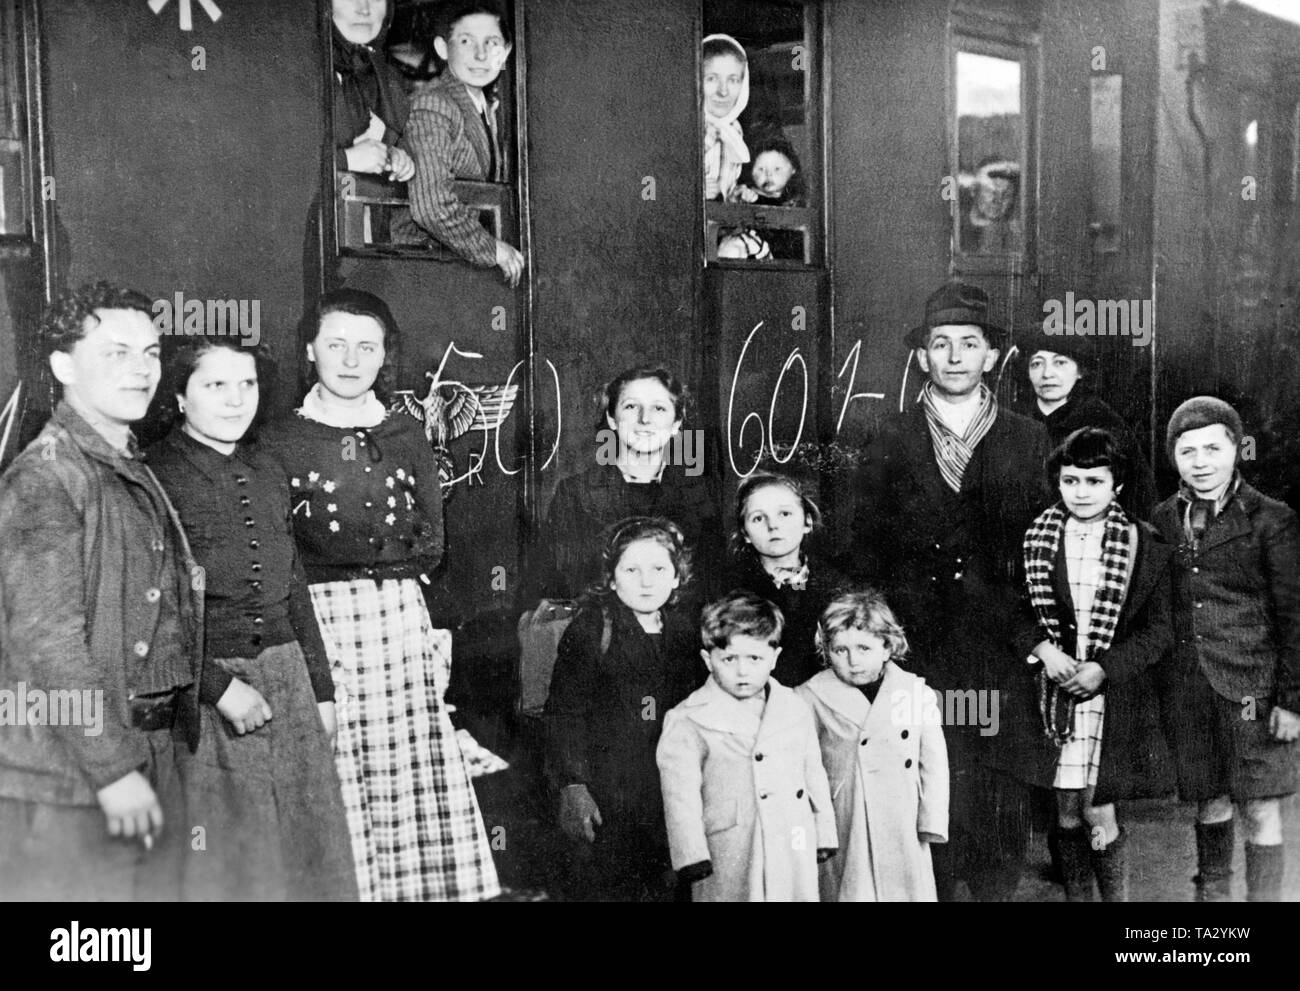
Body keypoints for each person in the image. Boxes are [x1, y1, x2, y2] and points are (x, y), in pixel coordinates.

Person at [260, 288, 500, 901]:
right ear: (310, 350)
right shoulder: (278, 440)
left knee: (409, 779)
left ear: (383, 356)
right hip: (319, 625)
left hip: (397, 621)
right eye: (335, 344)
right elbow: (279, 556)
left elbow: (430, 544)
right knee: (338, 773)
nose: (349, 359)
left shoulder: (408, 433)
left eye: (366, 347)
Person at [850, 280, 1055, 901]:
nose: (957, 356)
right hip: (919, 648)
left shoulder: (1028, 439)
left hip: (1003, 646)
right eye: (942, 344)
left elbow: (1049, 548)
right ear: (923, 358)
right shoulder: (888, 437)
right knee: (925, 787)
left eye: (971, 343)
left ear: (993, 356)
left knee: (999, 797)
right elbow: (864, 546)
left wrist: (1038, 632)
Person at [0, 282, 203, 900]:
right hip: (79, 771)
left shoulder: (120, 458)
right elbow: (47, 643)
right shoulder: (46, 475)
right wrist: (113, 771)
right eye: (116, 353)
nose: (142, 369)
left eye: (150, 352)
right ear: (63, 366)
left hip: (143, 747)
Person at [146, 339, 357, 901]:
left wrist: (322, 690)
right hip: (204, 694)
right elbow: (150, 612)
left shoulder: (265, 467)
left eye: (248, 385)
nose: (236, 400)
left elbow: (293, 584)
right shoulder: (154, 478)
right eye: (216, 385)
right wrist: (216, 689)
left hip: (287, 678)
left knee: (312, 856)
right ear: (180, 396)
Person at [1012, 427, 1175, 901]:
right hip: (1054, 696)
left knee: (1099, 812)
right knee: (1065, 813)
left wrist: (1105, 668)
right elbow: (1015, 609)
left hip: (1110, 698)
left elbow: (1160, 631)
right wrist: (1045, 649)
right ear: (1058, 483)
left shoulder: (1144, 543)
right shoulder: (1038, 535)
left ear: (1116, 486)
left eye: (1094, 481)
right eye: (1071, 481)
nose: (1081, 493)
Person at [1153, 397, 1300, 901]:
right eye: (1187, 450)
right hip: (1191, 692)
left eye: (1213, 448)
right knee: (1208, 803)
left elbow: (1294, 618)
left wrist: (1291, 701)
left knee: (1260, 808)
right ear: (1173, 456)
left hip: (1254, 694)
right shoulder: (1162, 519)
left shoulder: (1272, 520)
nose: (1201, 462)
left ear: (1237, 449)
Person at [544, 517, 700, 901]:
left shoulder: (687, 632)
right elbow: (564, 714)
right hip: (609, 793)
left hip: (669, 792)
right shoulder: (591, 630)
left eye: (659, 569)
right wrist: (573, 786)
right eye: (631, 570)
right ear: (611, 578)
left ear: (677, 576)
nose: (646, 582)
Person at [656, 590, 836, 902]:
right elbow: (680, 796)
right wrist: (691, 854)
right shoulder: (687, 718)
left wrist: (823, 832)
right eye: (729, 659)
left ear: (775, 658)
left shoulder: (794, 707)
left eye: (755, 658)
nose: (742, 671)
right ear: (707, 660)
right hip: (731, 847)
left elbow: (812, 773)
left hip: (791, 837)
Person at [525, 365, 723, 608]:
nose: (645, 419)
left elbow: (711, 588)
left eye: (659, 408)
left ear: (676, 423)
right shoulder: (576, 493)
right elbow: (552, 583)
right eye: (631, 406)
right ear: (612, 418)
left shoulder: (699, 495)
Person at [797, 590, 948, 901]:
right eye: (840, 650)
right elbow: (803, 769)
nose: (853, 661)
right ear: (826, 650)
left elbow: (933, 763)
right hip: (845, 819)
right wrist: (818, 828)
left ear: (887, 647)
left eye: (863, 647)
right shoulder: (809, 696)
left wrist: (931, 820)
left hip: (903, 819)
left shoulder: (915, 692)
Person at [391, 1, 524, 288]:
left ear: (506, 52)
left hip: (460, 264)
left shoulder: (486, 106)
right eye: (466, 41)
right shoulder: (434, 104)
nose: (480, 54)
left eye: (492, 42)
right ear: (442, 48)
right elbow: (431, 205)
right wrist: (491, 248)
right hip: (428, 269)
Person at [1014, 326, 1158, 520]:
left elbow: (1140, 496)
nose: (1047, 374)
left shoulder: (1105, 422)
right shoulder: (1012, 421)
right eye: (1037, 364)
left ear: (1080, 371)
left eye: (1060, 363)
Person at [724, 472, 848, 687]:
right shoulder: (729, 594)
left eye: (784, 514)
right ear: (745, 533)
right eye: (758, 518)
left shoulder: (839, 587)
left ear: (807, 522)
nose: (773, 526)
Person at [331, 0, 416, 182]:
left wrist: (394, 157)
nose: (364, 9)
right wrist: (344, 160)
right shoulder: (293, 71)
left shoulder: (386, 78)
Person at [702, 33, 750, 202]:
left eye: (733, 80)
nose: (723, 91)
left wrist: (734, 196)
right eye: (711, 78)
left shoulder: (734, 130)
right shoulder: (680, 126)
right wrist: (693, 190)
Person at [729, 134, 805, 206]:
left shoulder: (797, 199)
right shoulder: (745, 194)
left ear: (793, 169)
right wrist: (734, 200)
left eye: (777, 169)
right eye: (761, 169)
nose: (768, 174)